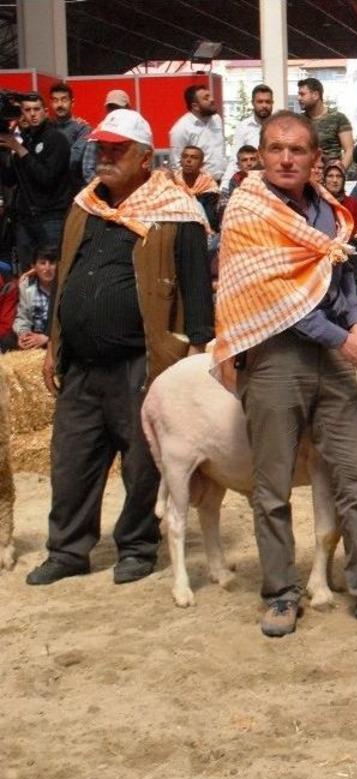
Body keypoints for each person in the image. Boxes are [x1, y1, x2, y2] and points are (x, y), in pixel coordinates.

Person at [212, 110, 357, 636]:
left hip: (330, 357)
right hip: (275, 356)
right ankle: (281, 593)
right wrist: (342, 338)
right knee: (272, 486)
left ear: (314, 159)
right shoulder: (247, 210)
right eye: (275, 149)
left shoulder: (327, 213)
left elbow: (342, 277)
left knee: (356, 477)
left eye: (297, 150)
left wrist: (354, 322)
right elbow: (275, 296)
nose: (285, 159)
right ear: (260, 154)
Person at [27, 108, 213, 587]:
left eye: (117, 150)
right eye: (101, 149)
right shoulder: (84, 205)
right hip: (82, 365)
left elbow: (197, 292)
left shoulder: (178, 212)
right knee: (70, 460)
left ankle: (137, 546)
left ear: (145, 158)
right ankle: (68, 549)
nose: (104, 157)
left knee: (142, 461)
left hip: (143, 363)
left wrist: (195, 358)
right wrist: (54, 346)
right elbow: (66, 276)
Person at [0, 93, 72, 269]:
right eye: (27, 110)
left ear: (45, 112)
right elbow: (10, 180)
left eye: (36, 109)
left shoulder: (56, 139)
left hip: (51, 218)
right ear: (21, 114)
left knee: (53, 271)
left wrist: (19, 149)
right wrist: (5, 151)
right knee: (28, 272)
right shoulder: (26, 140)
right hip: (25, 219)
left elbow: (46, 178)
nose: (32, 114)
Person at [168, 84, 225, 178]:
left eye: (210, 96)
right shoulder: (181, 129)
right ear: (195, 106)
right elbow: (176, 164)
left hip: (221, 181)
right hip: (198, 186)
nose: (212, 100)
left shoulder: (216, 119)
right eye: (206, 98)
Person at [297, 77, 354, 171]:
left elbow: (349, 150)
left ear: (315, 95)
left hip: (331, 178)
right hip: (307, 177)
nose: (299, 98)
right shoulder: (299, 121)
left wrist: (338, 173)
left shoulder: (338, 118)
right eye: (299, 94)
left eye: (302, 94)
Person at [226, 84, 272, 187]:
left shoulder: (278, 126)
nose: (264, 105)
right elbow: (234, 159)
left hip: (274, 183)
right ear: (253, 103)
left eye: (267, 102)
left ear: (272, 103)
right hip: (249, 184)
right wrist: (225, 187)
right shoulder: (243, 127)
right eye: (260, 102)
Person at [80, 90, 130, 183]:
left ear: (128, 108)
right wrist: (105, 189)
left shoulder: (136, 132)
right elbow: (88, 169)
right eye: (111, 108)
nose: (114, 112)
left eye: (118, 108)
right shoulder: (98, 133)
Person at [48, 82, 90, 189]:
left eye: (64, 99)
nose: (59, 105)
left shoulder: (82, 128)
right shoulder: (46, 127)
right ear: (51, 103)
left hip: (72, 188)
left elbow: (74, 159)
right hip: (48, 188)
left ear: (72, 102)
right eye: (55, 100)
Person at [13, 243, 56, 349]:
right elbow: (23, 317)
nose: (47, 268)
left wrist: (48, 338)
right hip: (35, 335)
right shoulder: (26, 286)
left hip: (56, 339)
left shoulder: (65, 287)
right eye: (42, 263)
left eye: (52, 263)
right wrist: (23, 334)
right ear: (33, 266)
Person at [174, 144, 220, 231]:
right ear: (180, 161)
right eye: (185, 156)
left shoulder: (209, 185)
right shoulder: (172, 182)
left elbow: (211, 219)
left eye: (194, 157)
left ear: (202, 164)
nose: (188, 160)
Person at [220, 145, 261, 222]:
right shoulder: (235, 179)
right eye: (244, 160)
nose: (249, 163)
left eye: (252, 159)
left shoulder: (266, 177)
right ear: (238, 165)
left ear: (259, 161)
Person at [321, 162, 357, 230]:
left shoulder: (353, 203)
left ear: (343, 180)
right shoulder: (318, 202)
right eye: (330, 176)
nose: (335, 180)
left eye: (339, 176)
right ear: (324, 179)